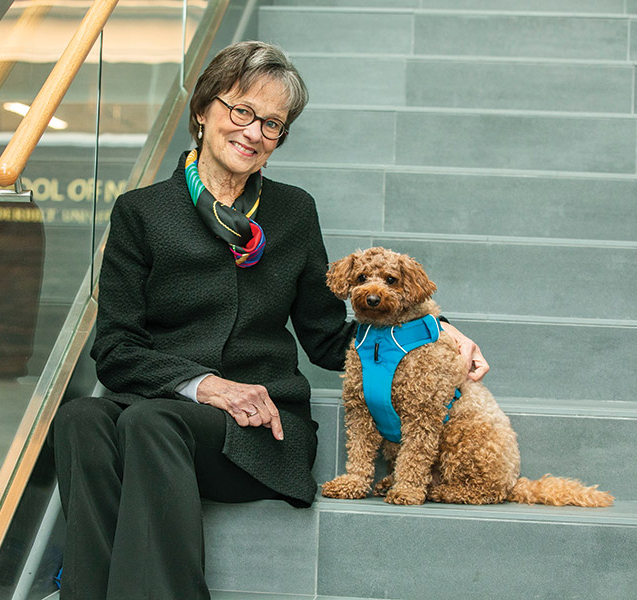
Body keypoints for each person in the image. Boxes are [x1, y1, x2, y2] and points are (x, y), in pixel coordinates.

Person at [51, 40, 488, 600]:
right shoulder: (141, 213)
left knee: (150, 423)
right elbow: (115, 349)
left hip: (262, 426)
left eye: (273, 123)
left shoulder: (292, 211)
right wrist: (206, 385)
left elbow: (331, 336)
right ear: (204, 109)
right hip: (169, 401)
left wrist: (435, 330)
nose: (254, 132)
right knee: (81, 420)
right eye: (242, 111)